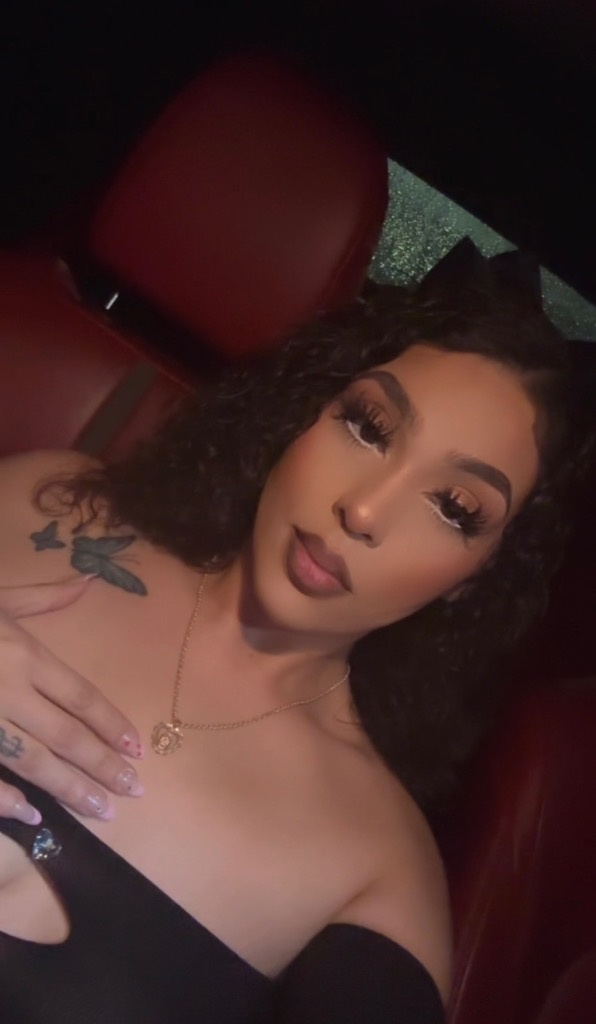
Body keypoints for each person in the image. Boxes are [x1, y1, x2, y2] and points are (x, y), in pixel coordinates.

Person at [0, 239, 589, 1022]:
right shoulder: (51, 502)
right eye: (368, 425)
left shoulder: (378, 874)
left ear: (478, 574)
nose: (365, 508)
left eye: (453, 508)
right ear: (307, 412)